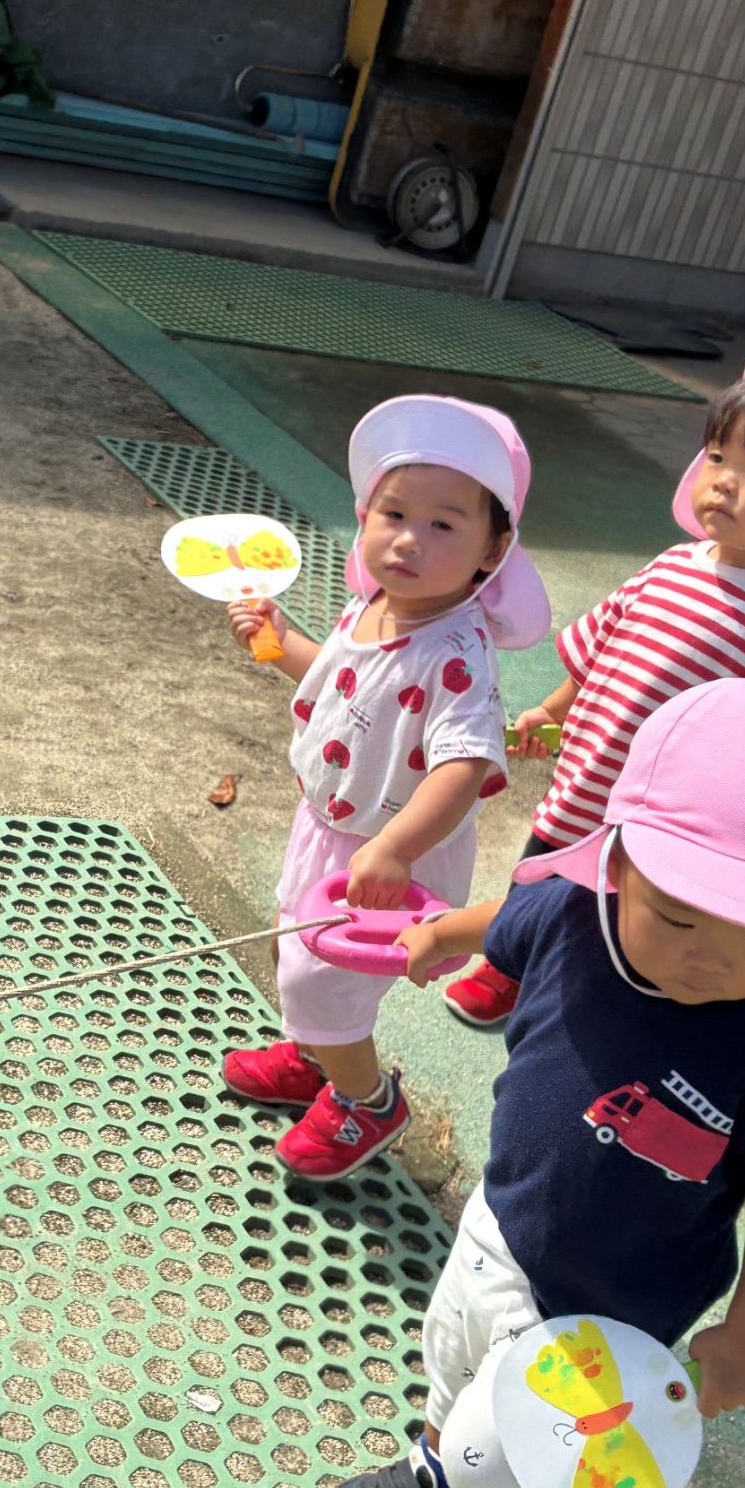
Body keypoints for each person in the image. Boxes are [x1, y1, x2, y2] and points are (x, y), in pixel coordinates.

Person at [324, 680, 745, 1488]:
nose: (714, 959)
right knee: (452, 1362)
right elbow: (509, 915)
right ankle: (443, 1482)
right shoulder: (570, 915)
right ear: (614, 863)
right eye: (680, 917)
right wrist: (440, 936)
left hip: (610, 1306)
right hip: (500, 1222)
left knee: (518, 1448)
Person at [439, 345, 745, 1029]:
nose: (724, 482)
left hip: (670, 818)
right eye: (717, 457)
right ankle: (509, 963)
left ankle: (584, 989)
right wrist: (549, 713)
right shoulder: (673, 564)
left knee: (630, 911)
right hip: (587, 775)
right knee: (543, 869)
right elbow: (601, 649)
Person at [220, 396, 549, 1178]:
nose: (408, 538)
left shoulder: (456, 651)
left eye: (443, 524)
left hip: (389, 850)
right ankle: (318, 1056)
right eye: (394, 513)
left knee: (319, 980)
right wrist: (280, 643)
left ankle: (367, 1101)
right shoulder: (374, 605)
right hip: (331, 827)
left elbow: (464, 766)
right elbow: (345, 686)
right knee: (299, 951)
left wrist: (398, 849)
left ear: (493, 549)